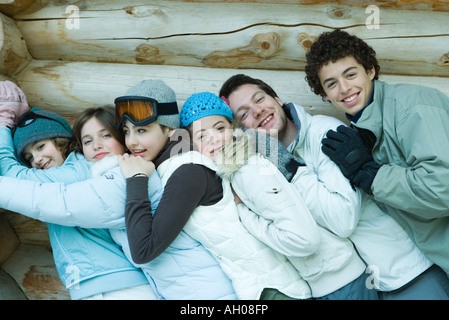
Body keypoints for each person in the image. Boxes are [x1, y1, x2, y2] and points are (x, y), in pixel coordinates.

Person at [0, 80, 237, 300]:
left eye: (106, 135)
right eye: (88, 141)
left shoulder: (125, 177)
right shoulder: (137, 170)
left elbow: (56, 202)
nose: (133, 141)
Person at [219, 74, 446, 299]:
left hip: (408, 272)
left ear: (277, 99)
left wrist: (290, 169)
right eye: (244, 113)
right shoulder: (265, 165)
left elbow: (343, 219)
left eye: (259, 99)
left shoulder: (325, 133)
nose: (257, 111)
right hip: (370, 284)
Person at [117, 85, 311, 300]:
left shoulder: (189, 171)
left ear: (171, 130)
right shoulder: (203, 164)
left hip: (273, 289)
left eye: (142, 130)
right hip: (262, 288)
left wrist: (135, 180)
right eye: (126, 132)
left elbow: (144, 250)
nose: (131, 141)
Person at [179, 91, 375, 300]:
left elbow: (304, 240)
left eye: (220, 128)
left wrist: (245, 215)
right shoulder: (235, 171)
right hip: (330, 280)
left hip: (341, 281)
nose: (215, 139)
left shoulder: (248, 169)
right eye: (202, 135)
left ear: (234, 129)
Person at [305, 29, 449, 286]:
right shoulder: (359, 132)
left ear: (370, 70)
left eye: (351, 74)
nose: (345, 88)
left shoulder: (412, 106)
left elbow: (443, 188)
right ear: (324, 95)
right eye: (332, 83)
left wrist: (372, 174)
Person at [0, 82, 158, 300]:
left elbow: (11, 175)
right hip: (94, 285)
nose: (36, 160)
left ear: (62, 141)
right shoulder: (64, 175)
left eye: (40, 147)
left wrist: (3, 123)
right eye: (28, 158)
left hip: (118, 286)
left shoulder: (80, 168)